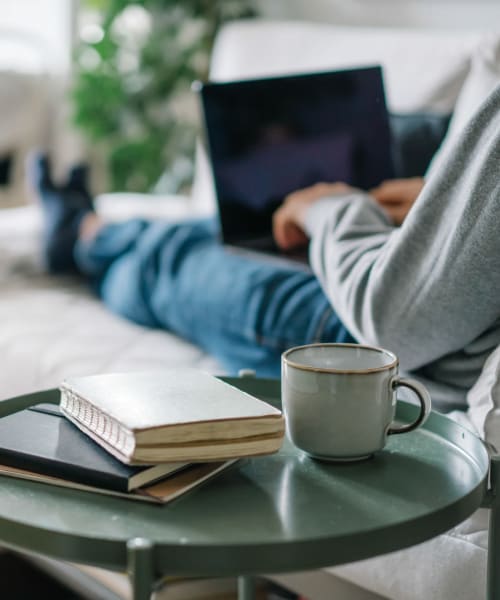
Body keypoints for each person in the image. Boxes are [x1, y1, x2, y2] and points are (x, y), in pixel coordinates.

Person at [32, 85, 500, 413]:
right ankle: (86, 229)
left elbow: (398, 321)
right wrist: (439, 202)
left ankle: (79, 234)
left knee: (170, 260)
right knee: (221, 232)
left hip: (380, 341)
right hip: (428, 306)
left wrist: (330, 205)